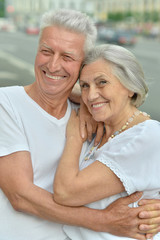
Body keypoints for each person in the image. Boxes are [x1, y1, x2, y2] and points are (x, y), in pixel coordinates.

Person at [0, 9, 159, 240]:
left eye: (67, 57)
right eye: (46, 51)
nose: (53, 65)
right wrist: (105, 221)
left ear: (80, 64)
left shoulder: (93, 117)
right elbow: (20, 196)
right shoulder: (6, 104)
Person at [54, 44, 160, 240]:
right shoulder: (101, 127)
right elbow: (52, 85)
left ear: (130, 87)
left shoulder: (146, 136)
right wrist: (86, 104)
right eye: (85, 85)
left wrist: (74, 138)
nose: (91, 94)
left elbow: (65, 193)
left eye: (102, 82)